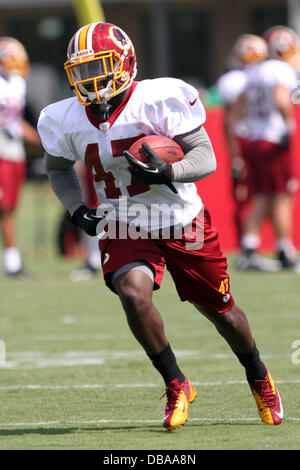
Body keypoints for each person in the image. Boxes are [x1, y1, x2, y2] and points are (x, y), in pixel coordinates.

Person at [37, 22, 283, 430]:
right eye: (81, 71)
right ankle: (176, 382)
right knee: (133, 294)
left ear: (125, 62)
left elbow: (206, 157)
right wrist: (76, 208)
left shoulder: (158, 99)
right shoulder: (63, 117)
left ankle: (257, 372)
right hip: (124, 221)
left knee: (220, 311)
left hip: (181, 219)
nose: (91, 80)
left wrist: (169, 171)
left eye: (99, 67)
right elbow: (57, 167)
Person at [233, 26, 300, 273]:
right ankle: (285, 251)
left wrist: (246, 128)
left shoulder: (255, 71)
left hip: (254, 140)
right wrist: (289, 125)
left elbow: (238, 108)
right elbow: (282, 97)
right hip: (272, 139)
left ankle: (249, 249)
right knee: (282, 196)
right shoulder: (280, 71)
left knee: (262, 196)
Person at [216, 34, 264, 249]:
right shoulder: (237, 80)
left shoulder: (255, 76)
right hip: (250, 141)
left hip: (257, 141)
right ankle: (248, 247)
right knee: (248, 195)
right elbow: (231, 119)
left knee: (263, 196)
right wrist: (235, 154)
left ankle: (251, 245)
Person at [0, 37, 41, 277]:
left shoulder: (17, 84)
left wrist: (40, 139)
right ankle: (12, 262)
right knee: (4, 206)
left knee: (11, 206)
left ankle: (12, 261)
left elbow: (14, 122)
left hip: (14, 149)